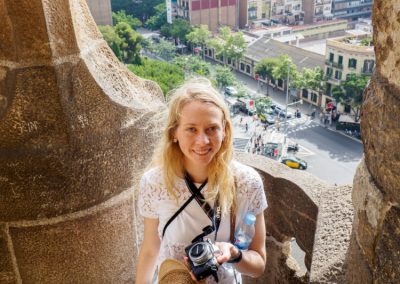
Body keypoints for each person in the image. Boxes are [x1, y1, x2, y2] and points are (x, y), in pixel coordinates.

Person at [136, 78, 268, 284]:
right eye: (191, 129)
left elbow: (258, 263)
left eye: (212, 129)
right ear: (174, 133)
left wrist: (234, 254)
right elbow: (150, 250)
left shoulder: (246, 182)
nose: (203, 141)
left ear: (225, 131)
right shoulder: (154, 182)